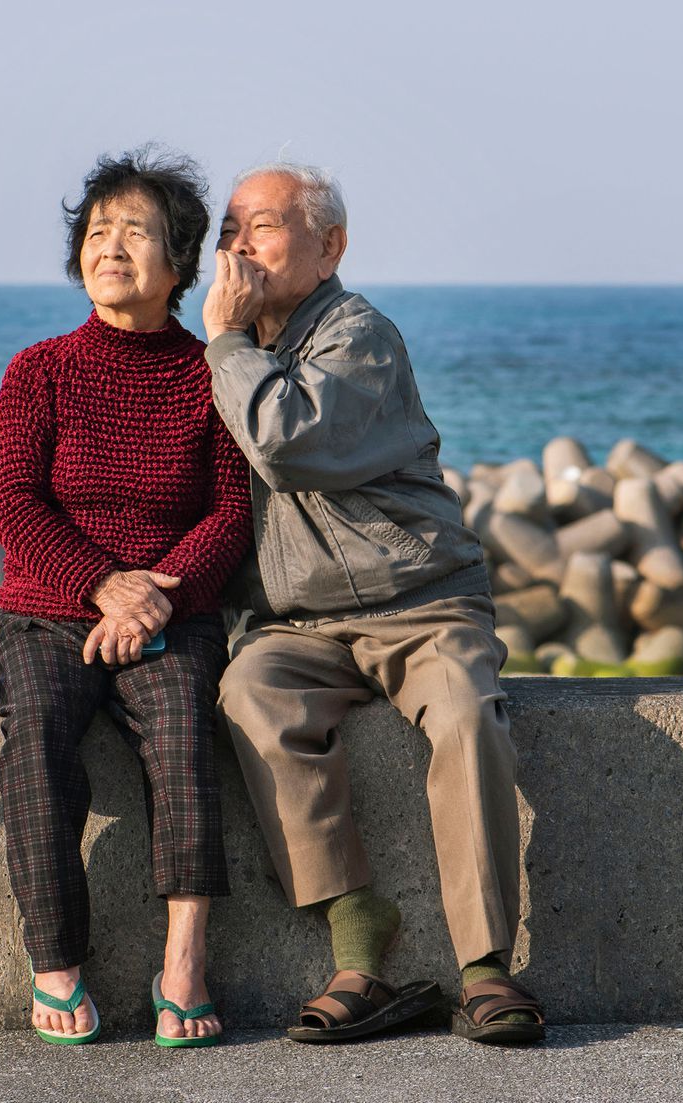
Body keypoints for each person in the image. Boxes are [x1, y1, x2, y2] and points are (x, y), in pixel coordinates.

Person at [200, 162, 545, 1045]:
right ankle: (360, 939)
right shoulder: (229, 353)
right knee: (250, 694)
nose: (239, 247)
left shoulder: (360, 335)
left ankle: (487, 970)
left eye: (263, 227)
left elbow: (288, 442)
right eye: (228, 231)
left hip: (423, 602)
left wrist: (228, 348)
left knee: (468, 715)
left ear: (331, 247)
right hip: (299, 625)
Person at [0, 149, 252, 1047]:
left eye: (135, 231)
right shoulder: (40, 369)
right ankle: (56, 962)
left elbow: (230, 512)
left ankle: (184, 964)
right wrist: (103, 586)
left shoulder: (211, 374)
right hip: (51, 610)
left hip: (173, 611)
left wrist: (153, 602)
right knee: (37, 741)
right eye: (97, 232)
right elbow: (14, 503)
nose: (110, 246)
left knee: (182, 728)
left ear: (178, 263)